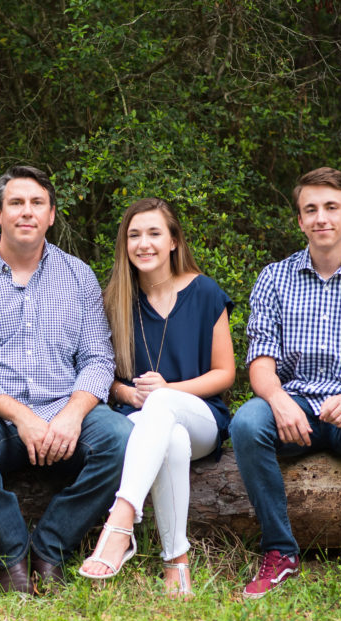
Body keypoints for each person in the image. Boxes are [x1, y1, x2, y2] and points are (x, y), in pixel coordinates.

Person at [0, 165, 133, 595]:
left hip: (65, 415)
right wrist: (21, 417)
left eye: (36, 203)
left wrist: (72, 415)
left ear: (50, 215)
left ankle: (51, 547)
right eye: (16, 203)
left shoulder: (79, 276)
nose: (26, 212)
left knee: (122, 439)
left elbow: (98, 359)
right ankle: (10, 555)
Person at [230, 167, 341, 599]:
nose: (321, 218)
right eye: (310, 209)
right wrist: (276, 397)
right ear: (299, 220)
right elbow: (259, 361)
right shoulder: (274, 278)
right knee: (245, 423)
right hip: (297, 409)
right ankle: (280, 553)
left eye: (331, 207)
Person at [78, 198, 235, 598]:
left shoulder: (205, 292)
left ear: (173, 241)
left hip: (199, 414)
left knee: (167, 412)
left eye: (153, 233)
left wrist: (166, 391)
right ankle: (176, 564)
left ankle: (120, 522)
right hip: (139, 418)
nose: (143, 243)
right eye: (134, 235)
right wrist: (127, 391)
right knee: (171, 439)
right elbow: (101, 373)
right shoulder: (113, 299)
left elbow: (224, 374)